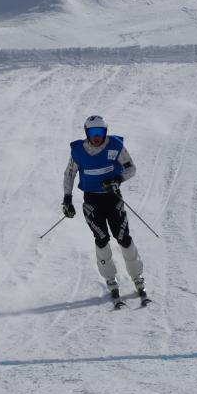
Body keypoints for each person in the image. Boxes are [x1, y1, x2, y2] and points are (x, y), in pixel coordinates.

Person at [62, 115, 148, 305]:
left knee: (123, 237)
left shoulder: (115, 146)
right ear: (87, 132)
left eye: (100, 132)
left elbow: (131, 168)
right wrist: (67, 198)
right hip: (92, 201)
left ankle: (137, 277)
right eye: (93, 132)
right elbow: (70, 173)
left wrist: (117, 180)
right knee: (101, 239)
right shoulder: (78, 151)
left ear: (105, 131)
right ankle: (110, 278)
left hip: (113, 198)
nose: (97, 136)